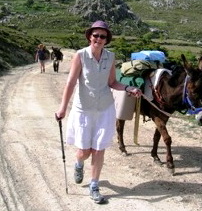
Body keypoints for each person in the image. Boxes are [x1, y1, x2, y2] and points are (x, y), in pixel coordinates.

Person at [55, 20, 141, 204]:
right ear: (89, 36)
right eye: (96, 35)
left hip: (104, 108)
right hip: (84, 109)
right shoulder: (80, 55)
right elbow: (70, 82)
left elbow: (112, 83)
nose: (99, 39)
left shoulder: (110, 57)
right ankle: (79, 163)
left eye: (103, 36)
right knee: (84, 151)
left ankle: (94, 185)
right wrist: (62, 107)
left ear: (106, 39)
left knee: (98, 149)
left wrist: (128, 88)